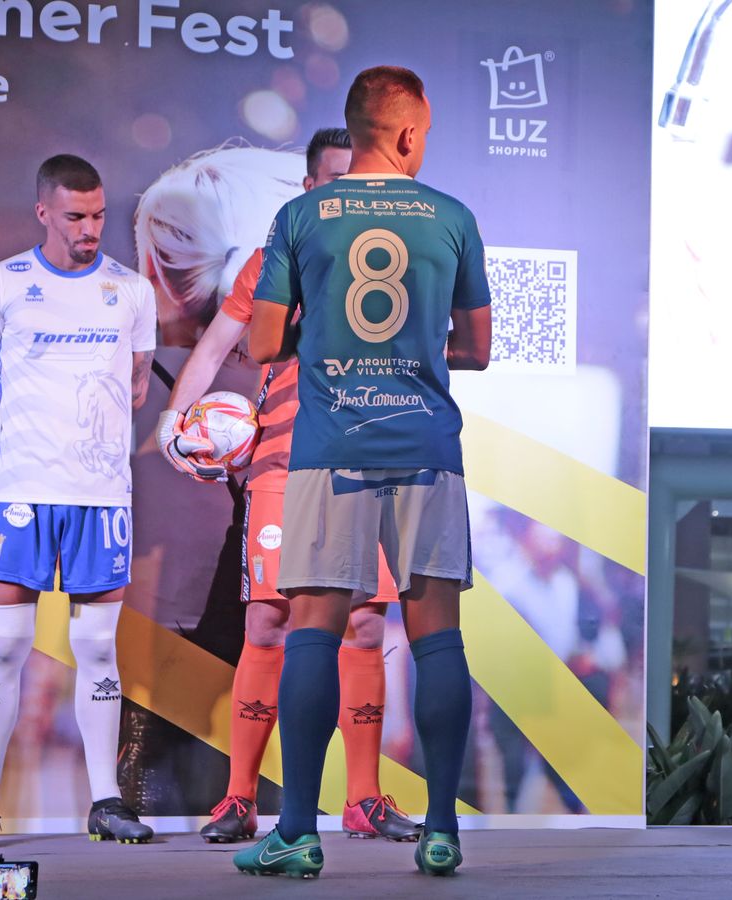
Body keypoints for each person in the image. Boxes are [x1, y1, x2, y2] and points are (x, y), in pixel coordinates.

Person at [231, 65, 491, 879]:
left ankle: (298, 832)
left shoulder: (301, 215)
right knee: (435, 634)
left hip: (330, 446)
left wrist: (329, 342)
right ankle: (442, 829)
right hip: (424, 448)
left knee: (313, 627)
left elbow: (262, 344)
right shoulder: (451, 216)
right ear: (410, 134)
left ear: (355, 129)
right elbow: (477, 350)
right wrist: (412, 354)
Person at [157, 130, 421, 843]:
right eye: (336, 179)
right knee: (268, 622)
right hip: (283, 463)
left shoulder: (396, 261)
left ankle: (363, 798)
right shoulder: (273, 262)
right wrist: (174, 422)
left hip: (373, 467)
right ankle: (238, 798)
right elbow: (215, 346)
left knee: (365, 624)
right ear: (309, 188)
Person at [0, 154, 158, 847]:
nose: (90, 228)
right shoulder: (2, 283)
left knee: (98, 649)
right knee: (6, 645)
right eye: (75, 216)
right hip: (23, 494)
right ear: (44, 212)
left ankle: (106, 801)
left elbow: (134, 386)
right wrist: (25, 446)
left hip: (101, 499)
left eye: (99, 215)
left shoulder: (130, 290)